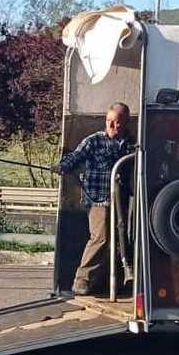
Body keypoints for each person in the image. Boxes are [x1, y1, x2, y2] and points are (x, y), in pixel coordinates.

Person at [57, 102, 135, 296]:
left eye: (116, 122)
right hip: (97, 200)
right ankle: (81, 280)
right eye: (109, 121)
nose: (111, 125)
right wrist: (62, 167)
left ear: (124, 123)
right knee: (100, 238)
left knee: (120, 240)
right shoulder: (94, 141)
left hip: (121, 201)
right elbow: (75, 157)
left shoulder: (131, 145)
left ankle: (115, 281)